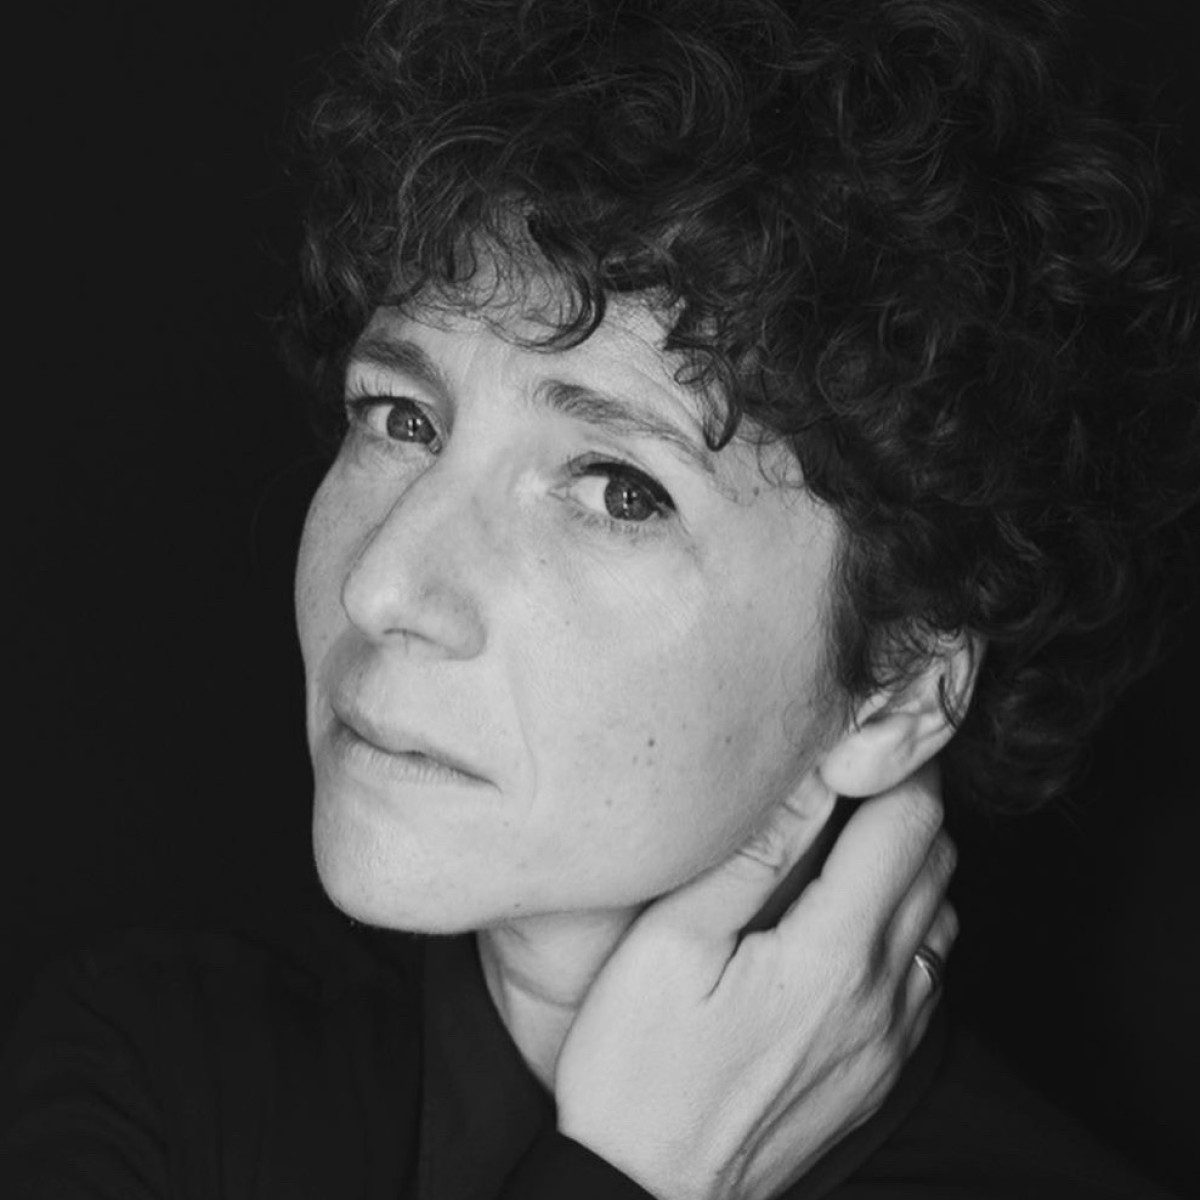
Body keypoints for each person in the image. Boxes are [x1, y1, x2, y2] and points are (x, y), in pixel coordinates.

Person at [3, 0, 1196, 1196]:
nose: (382, 584)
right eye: (402, 419)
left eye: (620, 492)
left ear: (895, 689)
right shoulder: (158, 1075)